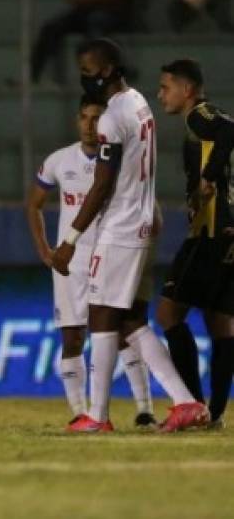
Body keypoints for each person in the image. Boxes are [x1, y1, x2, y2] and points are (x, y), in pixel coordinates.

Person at [52, 38, 208, 434]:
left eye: (87, 72)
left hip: (119, 227)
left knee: (102, 315)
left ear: (106, 71)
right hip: (138, 221)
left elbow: (102, 185)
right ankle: (185, 401)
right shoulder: (138, 101)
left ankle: (98, 416)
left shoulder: (110, 119)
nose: (84, 80)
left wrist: (70, 239)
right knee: (127, 320)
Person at [26, 93, 155, 428]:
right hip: (70, 262)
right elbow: (34, 204)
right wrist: (44, 250)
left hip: (111, 254)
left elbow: (148, 208)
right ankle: (80, 411)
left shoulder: (121, 162)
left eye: (97, 117)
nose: (89, 124)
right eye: (84, 117)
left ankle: (144, 408)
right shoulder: (59, 161)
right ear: (76, 120)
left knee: (122, 331)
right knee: (72, 338)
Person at [156, 59, 234, 428]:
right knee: (221, 323)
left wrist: (208, 177)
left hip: (210, 234)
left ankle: (194, 406)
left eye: (165, 87)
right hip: (227, 233)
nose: (161, 95)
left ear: (187, 90)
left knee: (168, 314)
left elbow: (231, 131)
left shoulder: (199, 115)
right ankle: (215, 413)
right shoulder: (208, 117)